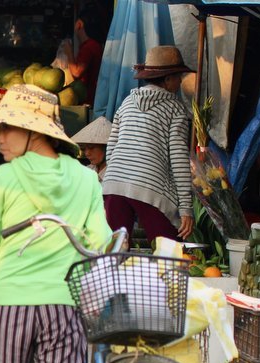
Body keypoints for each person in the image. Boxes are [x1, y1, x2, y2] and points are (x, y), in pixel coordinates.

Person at [0, 85, 111, 363]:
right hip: (64, 304)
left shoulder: (5, 176)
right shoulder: (87, 178)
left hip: (9, 302)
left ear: (33, 131)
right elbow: (101, 241)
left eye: (6, 128)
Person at [103, 45, 194, 243]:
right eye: (179, 76)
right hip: (149, 184)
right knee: (167, 252)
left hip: (114, 183)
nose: (180, 82)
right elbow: (179, 160)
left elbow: (111, 148)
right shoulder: (175, 108)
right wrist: (186, 208)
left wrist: (122, 173)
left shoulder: (127, 102)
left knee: (114, 253)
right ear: (168, 79)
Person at [62, 8, 104, 105]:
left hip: (89, 100)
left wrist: (69, 53)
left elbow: (76, 72)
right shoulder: (94, 45)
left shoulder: (89, 46)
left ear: (79, 24)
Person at [70, 116, 111, 181]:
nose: (87, 153)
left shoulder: (114, 175)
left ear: (106, 147)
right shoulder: (86, 171)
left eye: (91, 148)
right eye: (83, 149)